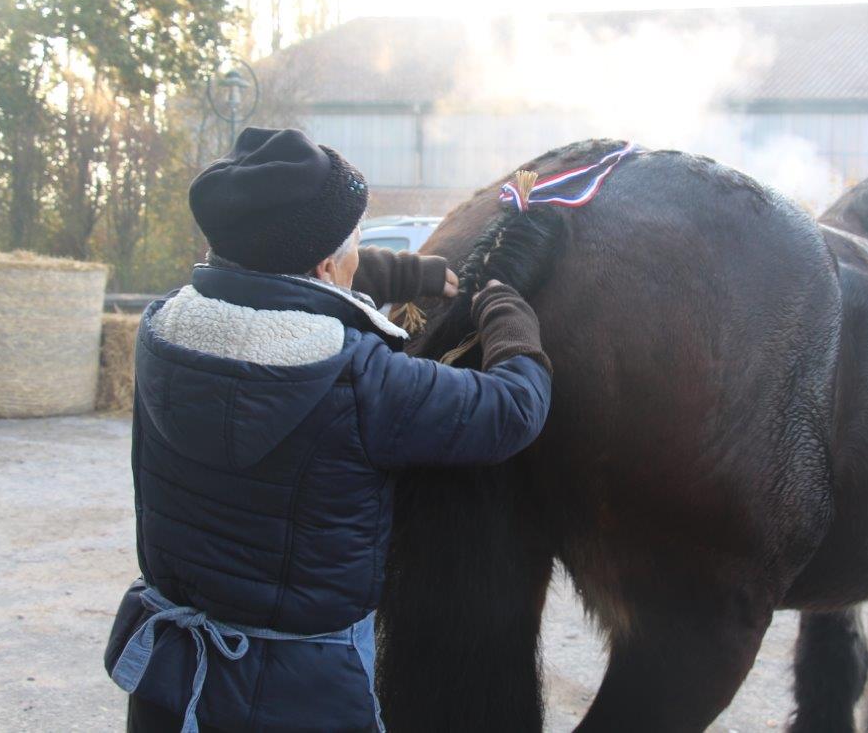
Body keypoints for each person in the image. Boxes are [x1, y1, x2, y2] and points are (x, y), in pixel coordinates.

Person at [103, 127, 552, 732]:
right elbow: (511, 411)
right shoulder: (359, 380)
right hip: (300, 690)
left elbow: (268, 290)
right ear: (324, 263)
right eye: (355, 244)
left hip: (173, 680)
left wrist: (401, 274)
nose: (358, 253)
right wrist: (510, 319)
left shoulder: (163, 330)